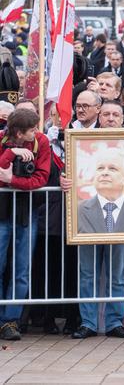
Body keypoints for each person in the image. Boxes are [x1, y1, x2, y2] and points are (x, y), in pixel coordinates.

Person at [69, 148, 124, 339]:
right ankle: (88, 323)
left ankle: (115, 323)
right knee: (87, 276)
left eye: (112, 168)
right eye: (100, 168)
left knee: (117, 277)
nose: (105, 172)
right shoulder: (79, 209)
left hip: (120, 235)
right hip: (87, 235)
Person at [0, 109, 51, 340]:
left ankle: (10, 320)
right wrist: (12, 153)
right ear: (19, 133)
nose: (36, 132)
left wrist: (12, 180)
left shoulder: (42, 142)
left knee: (22, 270)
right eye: (32, 129)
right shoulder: (3, 139)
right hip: (2, 211)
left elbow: (40, 179)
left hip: (27, 211)